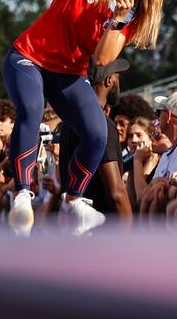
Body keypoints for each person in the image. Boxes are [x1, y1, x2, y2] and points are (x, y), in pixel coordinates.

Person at [2, 0, 165, 233]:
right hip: (28, 57)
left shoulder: (131, 17)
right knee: (31, 110)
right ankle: (22, 193)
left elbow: (103, 57)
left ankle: (74, 200)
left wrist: (116, 20)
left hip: (66, 73)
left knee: (96, 133)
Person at [56, 59, 133, 232]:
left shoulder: (69, 123)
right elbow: (116, 193)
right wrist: (129, 237)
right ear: (109, 80)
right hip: (97, 232)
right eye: (117, 77)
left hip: (74, 227)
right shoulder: (100, 123)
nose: (118, 81)